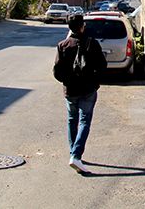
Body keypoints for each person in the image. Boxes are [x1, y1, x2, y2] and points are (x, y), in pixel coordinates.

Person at [53, 13, 107, 174]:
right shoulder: (92, 43)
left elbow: (57, 70)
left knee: (72, 120)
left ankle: (74, 153)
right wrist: (95, 81)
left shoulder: (62, 45)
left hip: (70, 90)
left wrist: (66, 81)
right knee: (84, 121)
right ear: (82, 26)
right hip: (88, 89)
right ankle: (76, 156)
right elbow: (102, 66)